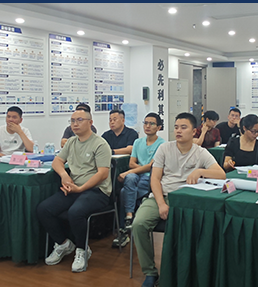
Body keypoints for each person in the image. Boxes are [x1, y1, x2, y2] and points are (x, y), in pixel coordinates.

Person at [131, 112, 226, 287]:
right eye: (176, 127)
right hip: (161, 196)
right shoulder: (164, 149)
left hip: (185, 200)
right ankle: (150, 272)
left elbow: (221, 174)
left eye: (183, 127)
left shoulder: (200, 152)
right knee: (139, 224)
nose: (178, 131)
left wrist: (200, 171)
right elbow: (155, 179)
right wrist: (161, 204)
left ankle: (184, 273)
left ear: (194, 131)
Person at [36, 108, 112, 273]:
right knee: (44, 209)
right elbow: (57, 161)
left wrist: (81, 188)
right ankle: (63, 244)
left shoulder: (100, 144)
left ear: (90, 123)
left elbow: (102, 174)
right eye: (72, 121)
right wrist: (64, 175)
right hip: (74, 188)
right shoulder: (71, 142)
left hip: (97, 191)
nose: (75, 124)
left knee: (75, 212)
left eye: (79, 120)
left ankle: (82, 249)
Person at [114, 113, 166, 248]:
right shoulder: (138, 142)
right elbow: (131, 163)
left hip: (150, 178)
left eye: (152, 123)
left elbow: (152, 167)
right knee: (130, 178)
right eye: (145, 123)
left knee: (124, 192)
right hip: (137, 176)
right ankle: (129, 217)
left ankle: (124, 228)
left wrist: (129, 172)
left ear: (159, 127)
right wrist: (139, 169)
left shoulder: (162, 145)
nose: (147, 126)